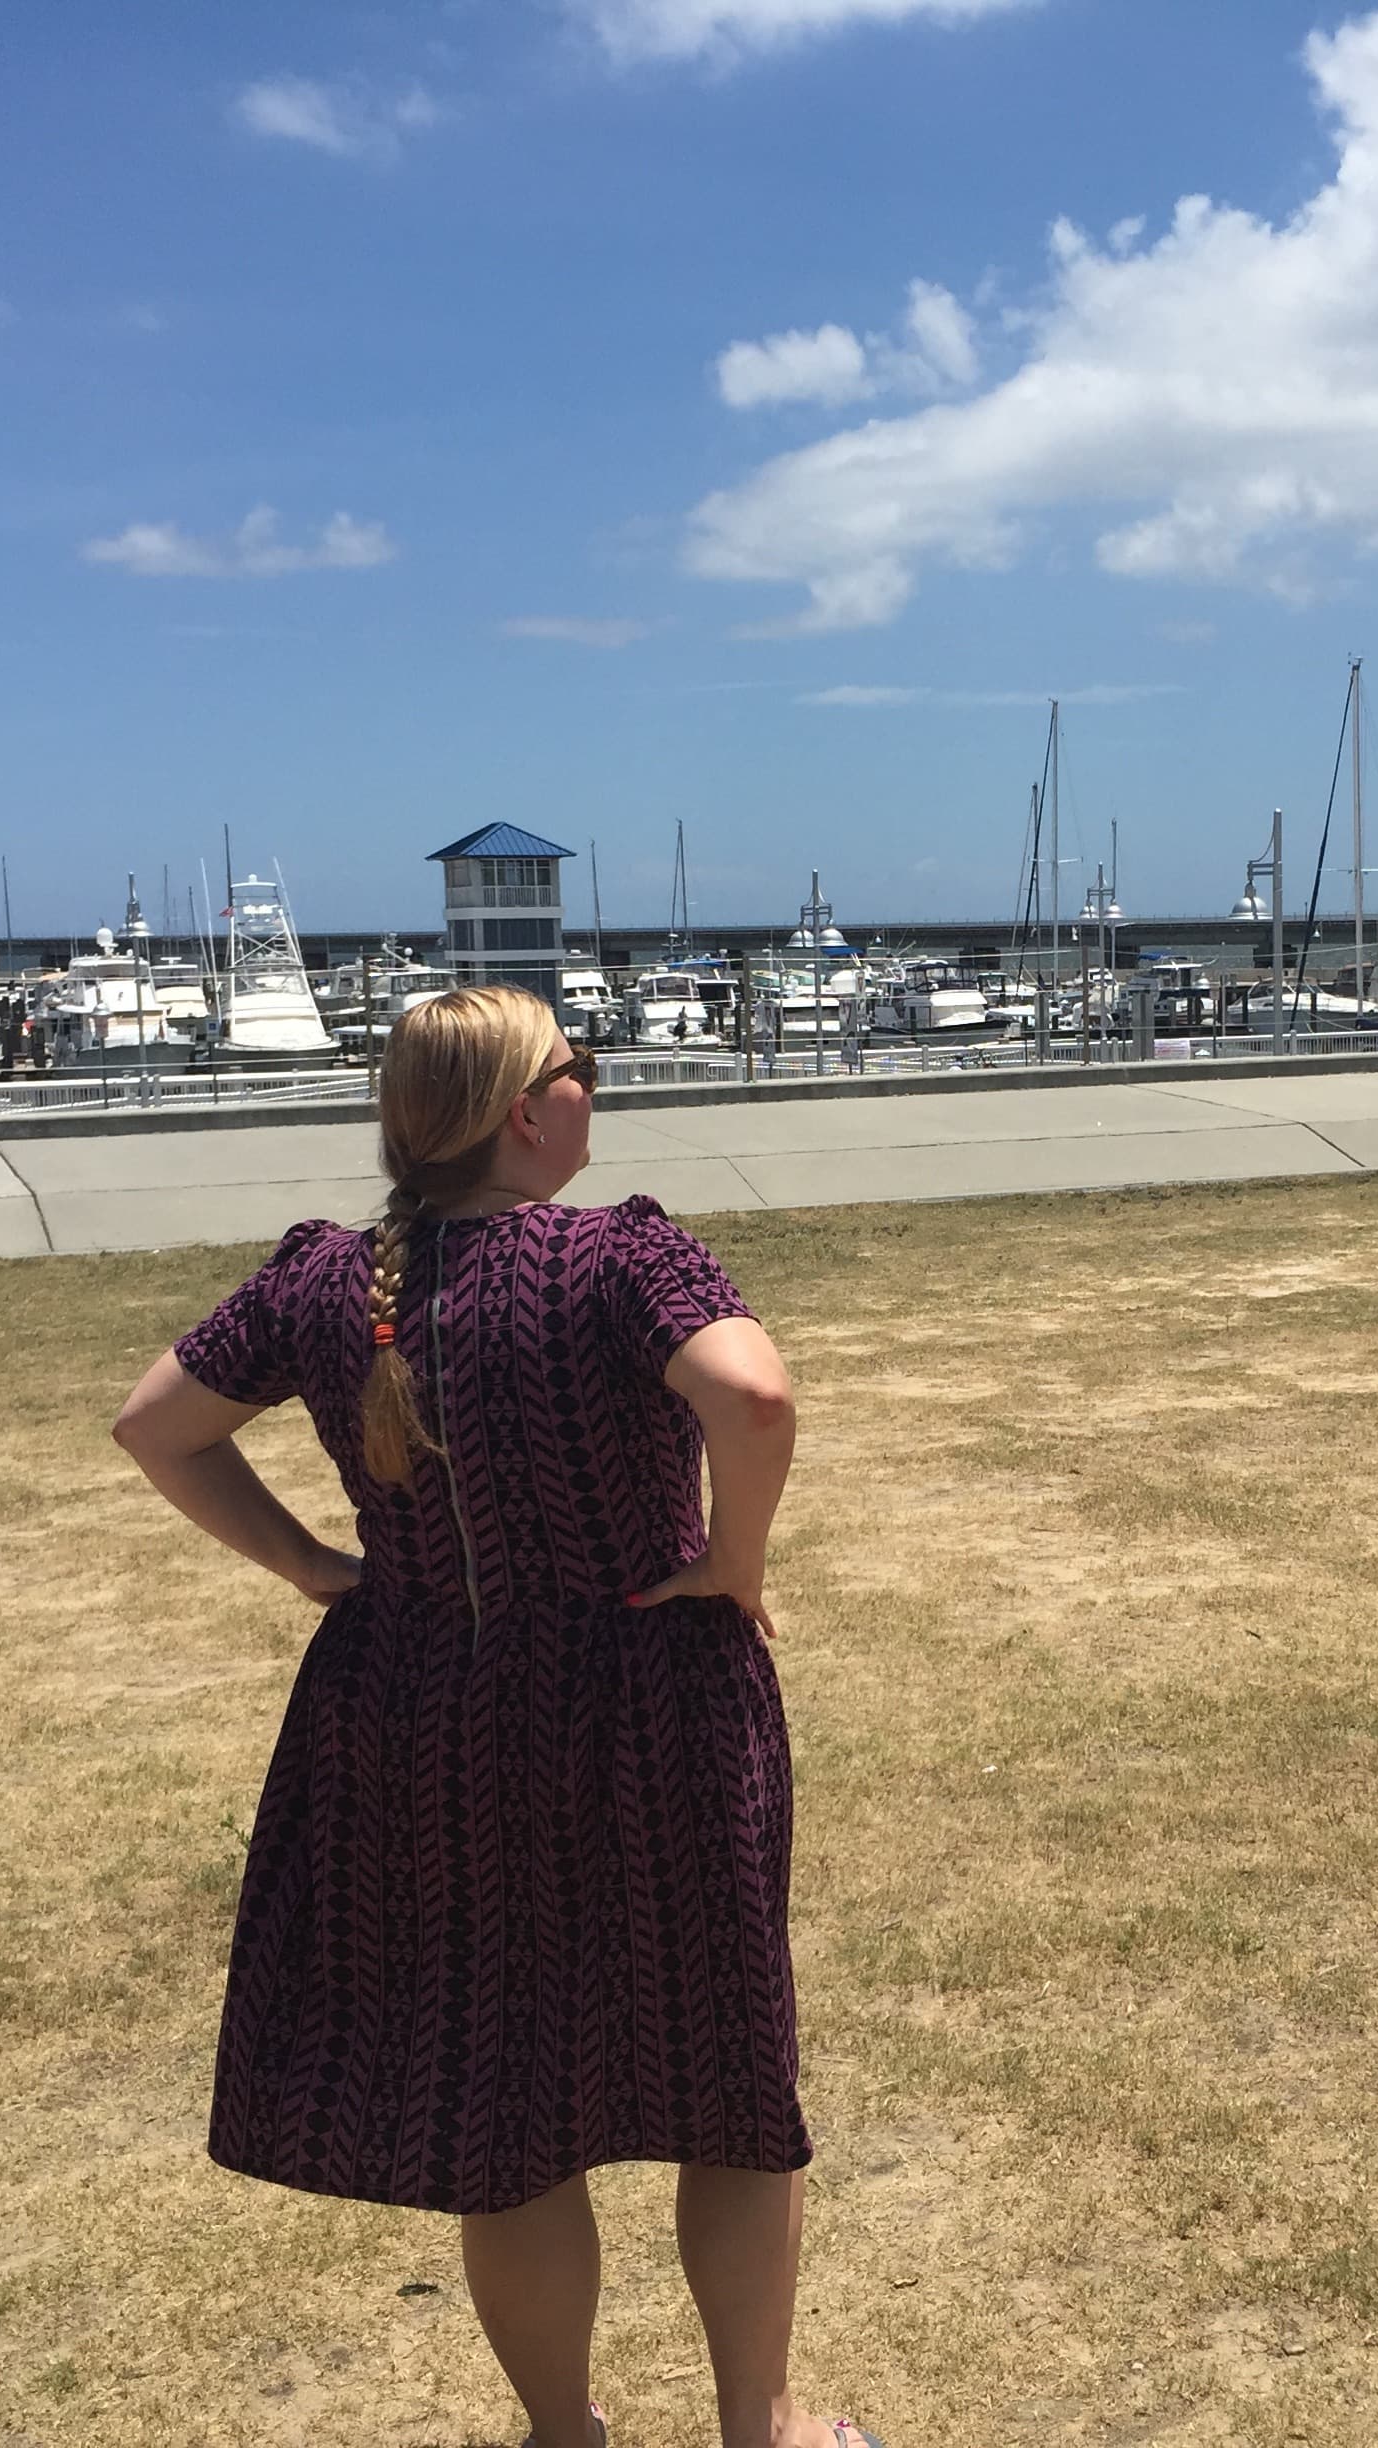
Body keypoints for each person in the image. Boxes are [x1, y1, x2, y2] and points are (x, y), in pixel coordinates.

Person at [114, 985, 882, 2448]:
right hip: (649, 1702)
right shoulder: (614, 1254)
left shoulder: (333, 1280)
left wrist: (312, 1568)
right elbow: (755, 1395)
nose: (600, 1089)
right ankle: (760, 2429)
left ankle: (560, 2432)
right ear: (527, 1111)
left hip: (417, 1721)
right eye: (580, 1068)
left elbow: (153, 1425)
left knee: (504, 2095)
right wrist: (736, 1559)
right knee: (724, 2075)